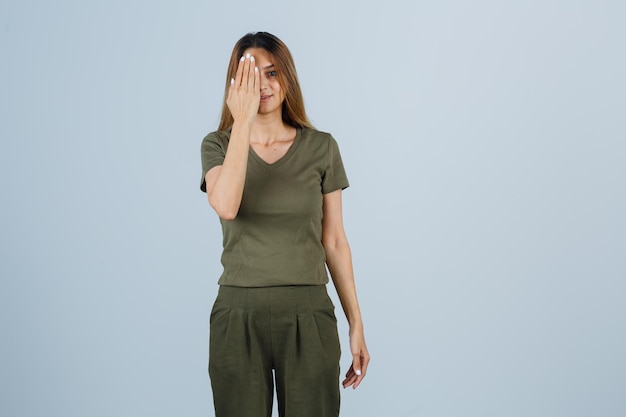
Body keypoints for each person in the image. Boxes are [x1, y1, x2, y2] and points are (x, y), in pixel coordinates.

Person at [199, 31, 369, 417]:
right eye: (251, 76)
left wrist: (355, 322)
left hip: (308, 312)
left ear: (287, 77)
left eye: (272, 72)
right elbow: (226, 204)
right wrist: (241, 122)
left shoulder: (322, 147)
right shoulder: (218, 145)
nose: (263, 84)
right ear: (235, 85)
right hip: (237, 313)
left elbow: (335, 241)